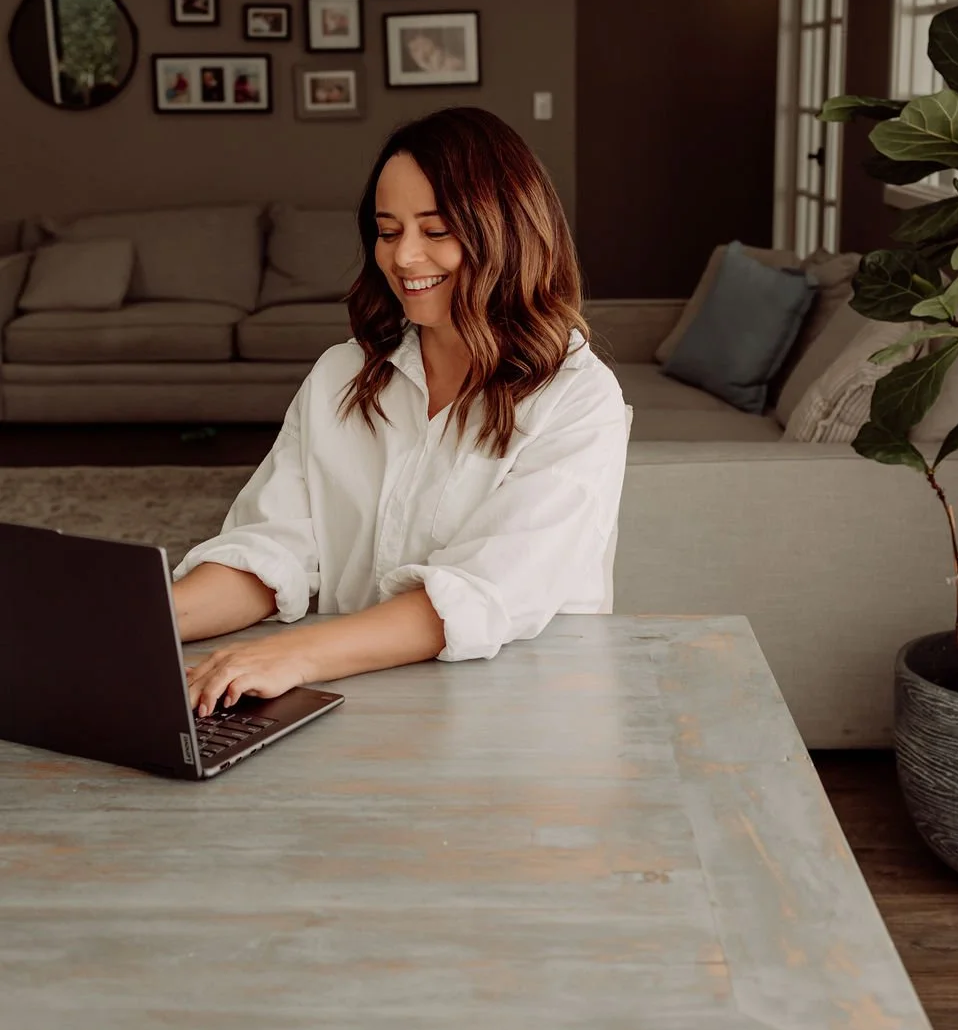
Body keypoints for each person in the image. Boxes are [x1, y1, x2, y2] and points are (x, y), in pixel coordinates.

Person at [173, 107, 629, 716]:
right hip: (353, 694)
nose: (405, 258)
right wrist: (147, 620)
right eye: (389, 232)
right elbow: (272, 550)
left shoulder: (577, 397)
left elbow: (483, 592)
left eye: (436, 231)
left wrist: (292, 655)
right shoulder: (341, 374)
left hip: (516, 713)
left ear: (507, 231)